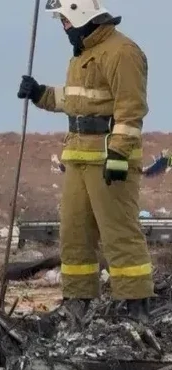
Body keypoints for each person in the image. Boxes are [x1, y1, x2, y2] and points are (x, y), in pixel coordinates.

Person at [17, 0, 153, 322]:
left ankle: (136, 306)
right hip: (78, 157)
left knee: (119, 233)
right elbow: (75, 100)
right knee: (74, 233)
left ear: (81, 16)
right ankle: (77, 302)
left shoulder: (123, 52)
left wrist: (119, 155)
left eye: (65, 20)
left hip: (109, 159)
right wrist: (39, 94)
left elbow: (130, 109)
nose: (64, 27)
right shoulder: (82, 56)